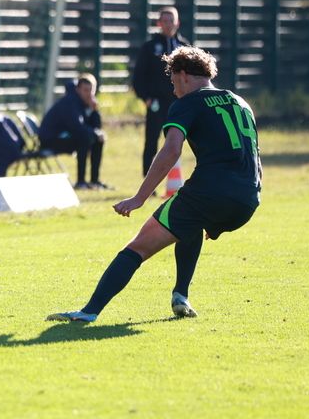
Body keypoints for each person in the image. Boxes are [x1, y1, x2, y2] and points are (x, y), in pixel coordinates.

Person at [47, 46, 261, 323]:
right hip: (249, 197)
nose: (173, 90)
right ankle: (180, 296)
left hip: (211, 191)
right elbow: (253, 154)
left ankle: (88, 312)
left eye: (173, 82)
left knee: (137, 247)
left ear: (183, 75)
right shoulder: (240, 102)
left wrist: (139, 197)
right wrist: (231, 207)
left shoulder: (188, 103)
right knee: (188, 222)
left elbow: (171, 151)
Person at [133, 6, 190, 176]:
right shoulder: (150, 47)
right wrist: (146, 98)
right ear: (159, 23)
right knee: (151, 141)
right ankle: (148, 180)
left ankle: (176, 181)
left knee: (177, 141)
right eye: (164, 21)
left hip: (178, 103)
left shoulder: (184, 47)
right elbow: (138, 76)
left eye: (171, 20)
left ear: (177, 22)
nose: (168, 24)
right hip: (156, 102)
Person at [38, 74, 110, 190]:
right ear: (78, 90)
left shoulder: (85, 103)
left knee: (97, 139)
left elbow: (95, 126)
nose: (89, 94)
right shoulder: (70, 101)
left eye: (91, 90)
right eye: (86, 90)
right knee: (85, 139)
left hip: (65, 137)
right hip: (50, 139)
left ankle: (94, 181)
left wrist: (94, 110)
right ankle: (81, 182)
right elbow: (76, 127)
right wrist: (95, 133)